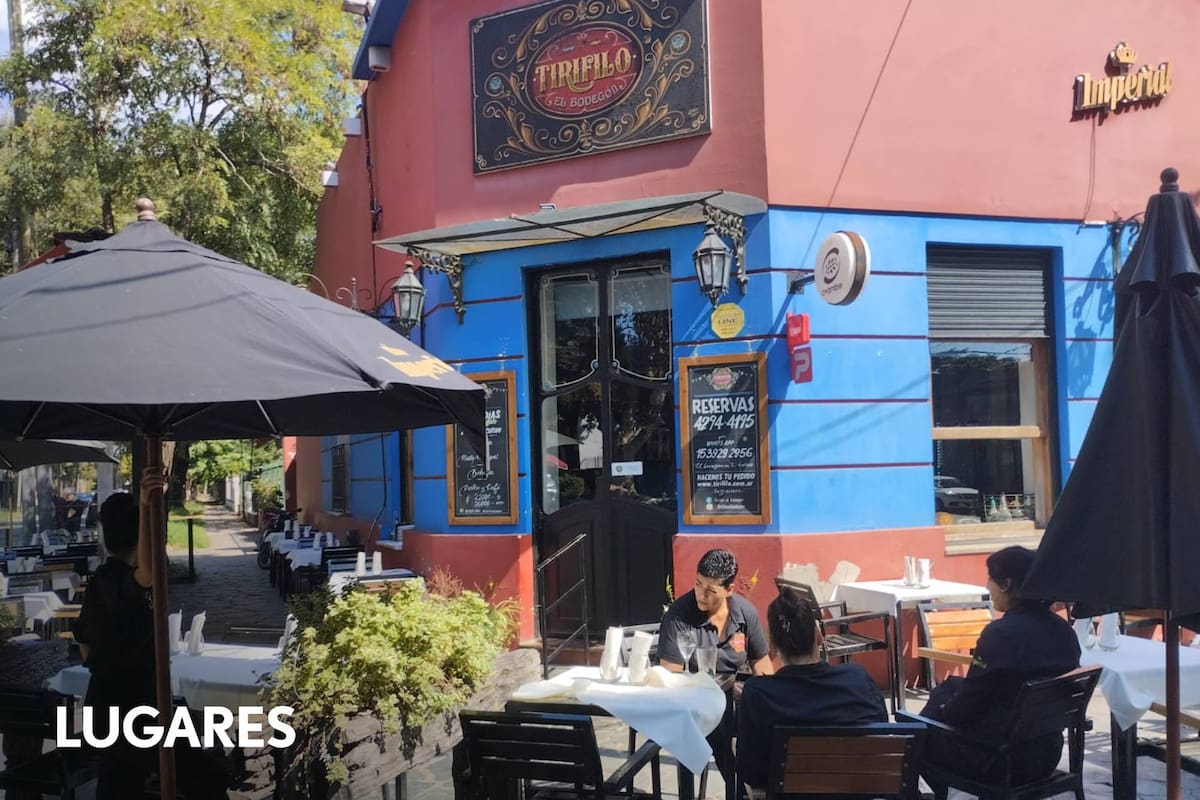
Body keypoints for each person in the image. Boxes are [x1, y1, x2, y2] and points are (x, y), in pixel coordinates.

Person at [74, 469, 230, 799]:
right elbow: (145, 574)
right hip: (136, 711)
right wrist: (147, 507)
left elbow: (85, 647)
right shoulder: (122, 583)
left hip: (104, 707)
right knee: (207, 777)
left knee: (119, 788)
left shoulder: (98, 582)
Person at [919, 545, 1081, 785]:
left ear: (1005, 584)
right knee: (949, 687)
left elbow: (962, 712)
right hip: (1047, 753)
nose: (987, 587)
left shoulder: (1002, 634)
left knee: (913, 734)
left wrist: (941, 710)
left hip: (1000, 760)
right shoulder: (1064, 630)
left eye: (990, 580)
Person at [736, 588, 888, 790]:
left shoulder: (758, 694)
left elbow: (751, 773)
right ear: (818, 636)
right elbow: (882, 740)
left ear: (772, 646)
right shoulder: (858, 679)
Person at [659, 549, 773, 790]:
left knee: (770, 722)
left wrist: (764, 695)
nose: (701, 594)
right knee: (721, 729)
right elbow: (670, 676)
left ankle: (761, 787)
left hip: (736, 699)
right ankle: (740, 790)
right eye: (698, 584)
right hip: (694, 704)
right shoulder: (679, 616)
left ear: (729, 590)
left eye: (711, 590)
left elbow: (762, 663)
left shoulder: (744, 613)